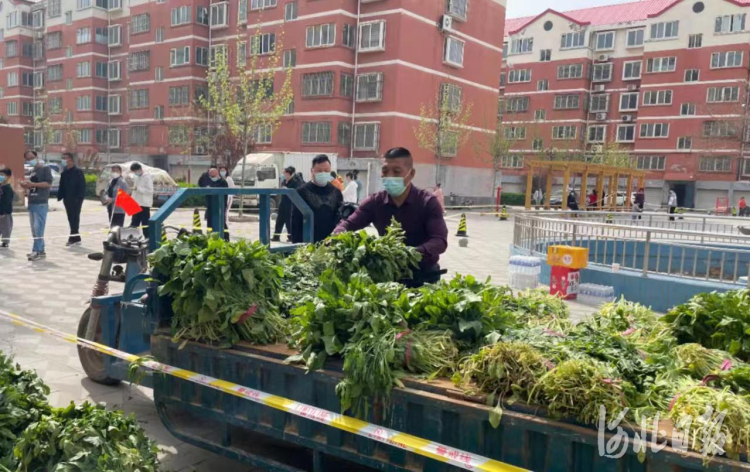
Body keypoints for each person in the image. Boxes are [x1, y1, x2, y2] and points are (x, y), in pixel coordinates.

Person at [334, 147, 448, 287]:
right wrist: (338, 234)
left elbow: (439, 241)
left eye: (397, 171)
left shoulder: (427, 202)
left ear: (411, 174)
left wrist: (411, 253)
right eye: (385, 171)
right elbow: (349, 223)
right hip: (388, 277)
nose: (390, 176)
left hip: (424, 276)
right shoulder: (375, 202)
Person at [290, 155, 343, 243]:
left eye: (326, 171)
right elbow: (295, 221)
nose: (323, 173)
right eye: (319, 171)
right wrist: (296, 245)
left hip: (330, 244)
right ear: (312, 171)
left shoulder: (336, 192)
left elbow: (339, 219)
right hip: (307, 244)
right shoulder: (301, 192)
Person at [21, 151, 53, 261]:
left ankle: (37, 251)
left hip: (41, 202)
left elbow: (48, 183)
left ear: (36, 157)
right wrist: (26, 185)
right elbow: (32, 185)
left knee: (38, 228)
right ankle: (41, 250)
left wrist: (33, 184)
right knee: (34, 229)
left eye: (32, 157)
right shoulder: (32, 170)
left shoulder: (45, 168)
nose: (30, 160)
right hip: (32, 201)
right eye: (28, 158)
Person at [57, 152, 86, 246]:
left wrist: (79, 198)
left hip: (76, 199)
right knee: (70, 217)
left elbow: (82, 186)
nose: (64, 160)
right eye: (63, 158)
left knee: (75, 217)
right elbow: (62, 185)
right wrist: (60, 196)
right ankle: (77, 237)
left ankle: (73, 238)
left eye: (66, 158)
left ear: (71, 160)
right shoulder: (64, 172)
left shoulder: (78, 172)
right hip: (67, 198)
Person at [273, 166, 303, 242]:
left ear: (289, 174)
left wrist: (288, 190)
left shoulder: (295, 182)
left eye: (284, 173)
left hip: (290, 204)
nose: (283, 174)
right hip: (283, 203)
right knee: (279, 220)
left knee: (289, 221)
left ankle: (291, 237)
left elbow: (297, 192)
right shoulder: (284, 181)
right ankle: (276, 236)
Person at [204, 166, 229, 241]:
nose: (212, 177)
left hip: (220, 207)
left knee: (222, 224)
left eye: (213, 176)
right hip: (210, 207)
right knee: (210, 224)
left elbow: (224, 194)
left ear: (217, 174)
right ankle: (210, 240)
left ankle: (225, 240)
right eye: (210, 176)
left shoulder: (223, 182)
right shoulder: (209, 182)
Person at [129, 163, 153, 239]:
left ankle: (148, 239)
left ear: (140, 169)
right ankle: (132, 239)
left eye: (135, 171)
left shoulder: (147, 177)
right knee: (134, 223)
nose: (135, 173)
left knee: (145, 224)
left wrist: (138, 189)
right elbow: (135, 189)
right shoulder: (136, 177)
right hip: (136, 203)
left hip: (144, 204)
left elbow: (150, 191)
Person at [0, 168, 13, 248]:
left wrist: (2, 211)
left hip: (5, 212)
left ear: (8, 177)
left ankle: (5, 241)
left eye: (2, 175)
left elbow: (6, 201)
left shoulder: (7, 188)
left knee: (6, 227)